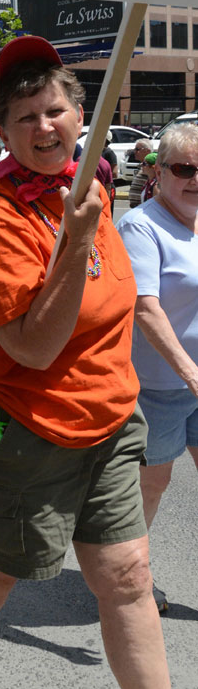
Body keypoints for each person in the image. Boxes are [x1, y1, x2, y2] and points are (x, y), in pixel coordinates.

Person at [0, 35, 184, 689]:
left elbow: (115, 304)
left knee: (128, 577)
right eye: (24, 118)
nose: (43, 127)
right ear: (3, 134)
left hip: (108, 421)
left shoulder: (92, 188)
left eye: (53, 110)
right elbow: (35, 347)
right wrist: (72, 245)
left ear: (81, 112)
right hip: (18, 424)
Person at [117, 124, 198, 614]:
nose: (194, 179)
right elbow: (146, 309)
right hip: (160, 386)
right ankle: (129, 575)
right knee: (153, 484)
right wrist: (191, 372)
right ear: (159, 171)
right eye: (184, 169)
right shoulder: (141, 226)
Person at [129, 139, 155, 207]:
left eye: (137, 149)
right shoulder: (142, 166)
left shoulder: (150, 166)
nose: (134, 152)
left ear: (147, 151)